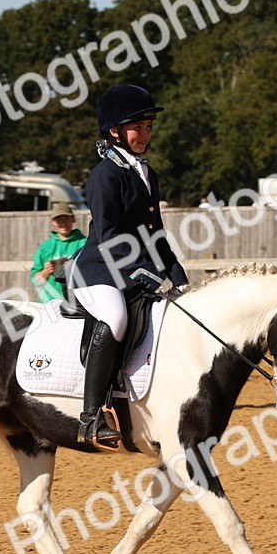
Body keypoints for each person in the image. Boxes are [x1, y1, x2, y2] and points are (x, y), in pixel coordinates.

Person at [70, 84, 188, 449]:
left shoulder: (146, 173)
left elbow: (157, 233)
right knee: (116, 317)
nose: (146, 135)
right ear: (114, 130)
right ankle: (91, 417)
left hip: (137, 269)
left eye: (149, 127)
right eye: (139, 127)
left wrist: (178, 277)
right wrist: (144, 271)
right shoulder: (105, 175)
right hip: (100, 270)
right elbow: (108, 235)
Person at [29, 202, 86, 304]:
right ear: (53, 222)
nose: (63, 223)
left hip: (77, 305)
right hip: (48, 304)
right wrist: (46, 271)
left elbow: (92, 274)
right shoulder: (45, 247)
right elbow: (36, 281)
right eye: (59, 220)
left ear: (73, 219)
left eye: (66, 219)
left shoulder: (84, 244)